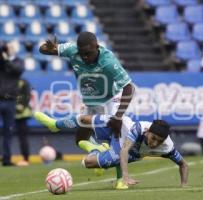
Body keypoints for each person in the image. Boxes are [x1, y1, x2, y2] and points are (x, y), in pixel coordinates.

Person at [39, 32, 135, 180]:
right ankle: (98, 150)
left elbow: (129, 87)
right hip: (91, 100)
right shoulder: (72, 50)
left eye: (88, 53)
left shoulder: (108, 61)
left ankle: (121, 180)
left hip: (110, 99)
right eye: (82, 54)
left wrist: (118, 116)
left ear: (97, 46)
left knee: (116, 137)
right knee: (80, 139)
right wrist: (49, 48)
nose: (84, 57)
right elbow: (42, 49)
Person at [34, 111, 189, 189]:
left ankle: (95, 149)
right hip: (122, 131)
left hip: (131, 154)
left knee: (87, 163)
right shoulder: (138, 128)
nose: (154, 143)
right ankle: (55, 124)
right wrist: (127, 176)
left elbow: (183, 164)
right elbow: (124, 149)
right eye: (153, 138)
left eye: (159, 141)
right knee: (87, 119)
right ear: (148, 131)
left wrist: (184, 185)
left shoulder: (167, 147)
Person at [0, 41, 24, 166]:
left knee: (8, 132)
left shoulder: (18, 61)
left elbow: (17, 70)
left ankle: (7, 158)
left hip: (10, 101)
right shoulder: (1, 61)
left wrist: (7, 58)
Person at [15, 78, 32, 166]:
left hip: (22, 115)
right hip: (9, 113)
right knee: (7, 137)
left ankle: (25, 158)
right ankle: (6, 157)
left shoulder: (23, 82)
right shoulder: (7, 80)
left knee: (23, 138)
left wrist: (22, 106)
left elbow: (27, 95)